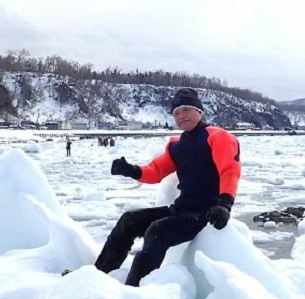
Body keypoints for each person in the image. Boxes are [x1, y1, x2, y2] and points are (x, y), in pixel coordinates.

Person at [86, 88, 241, 287]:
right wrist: (131, 170)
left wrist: (225, 205)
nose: (181, 115)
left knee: (157, 231)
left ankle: (134, 289)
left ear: (200, 112)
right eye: (176, 112)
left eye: (186, 109)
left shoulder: (217, 137)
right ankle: (99, 276)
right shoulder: (176, 145)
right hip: (180, 210)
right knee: (129, 221)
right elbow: (157, 170)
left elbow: (230, 170)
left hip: (206, 213)